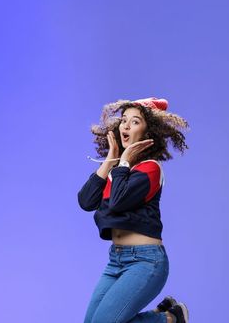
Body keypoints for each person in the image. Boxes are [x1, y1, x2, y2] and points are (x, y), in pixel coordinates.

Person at [77, 97, 191, 323]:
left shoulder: (150, 169)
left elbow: (118, 202)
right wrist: (111, 160)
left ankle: (171, 319)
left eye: (135, 121)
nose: (126, 126)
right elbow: (86, 201)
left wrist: (124, 162)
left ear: (149, 133)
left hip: (146, 262)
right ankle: (164, 315)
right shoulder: (117, 169)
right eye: (123, 120)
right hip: (116, 260)